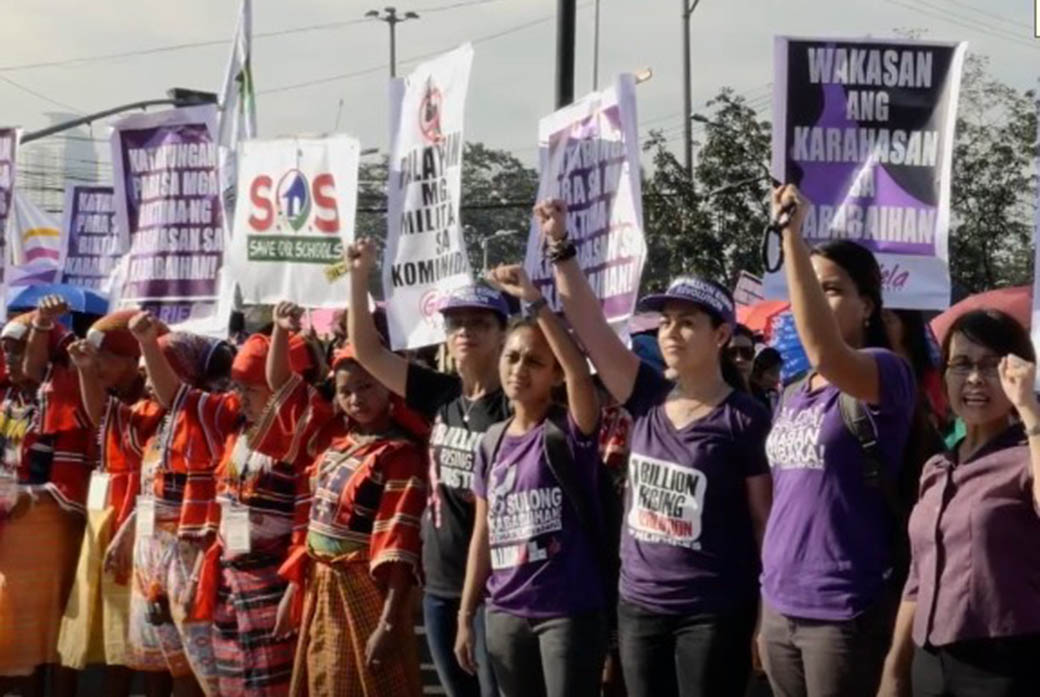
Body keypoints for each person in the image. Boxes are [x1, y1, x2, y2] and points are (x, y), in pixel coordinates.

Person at [536, 199, 772, 697]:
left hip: (713, 612)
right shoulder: (644, 393)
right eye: (666, 321)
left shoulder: (746, 419)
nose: (671, 332)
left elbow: (763, 525)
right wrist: (560, 248)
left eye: (688, 322)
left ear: (722, 334)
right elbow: (590, 327)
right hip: (639, 606)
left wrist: (764, 615)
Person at [758, 185, 916, 697]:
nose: (819, 298)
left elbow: (825, 352)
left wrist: (792, 239)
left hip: (843, 609)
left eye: (833, 289)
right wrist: (766, 607)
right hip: (780, 604)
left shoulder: (886, 374)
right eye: (812, 286)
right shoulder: (791, 394)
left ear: (867, 306)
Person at [346, 239, 505, 697]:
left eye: (479, 323)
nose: (465, 332)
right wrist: (359, 277)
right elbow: (368, 352)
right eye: (456, 323)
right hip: (439, 584)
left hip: (496, 590)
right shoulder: (441, 396)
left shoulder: (516, 408)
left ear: (502, 333)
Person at [131, 312, 318, 697]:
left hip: (272, 582)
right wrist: (148, 343)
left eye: (251, 388)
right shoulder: (233, 425)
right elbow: (177, 398)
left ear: (281, 390)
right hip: (229, 580)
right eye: (239, 386)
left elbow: (304, 524)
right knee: (231, 683)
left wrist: (293, 590)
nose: (240, 396)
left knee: (273, 686)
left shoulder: (304, 442)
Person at [454, 264, 606, 697]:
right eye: (512, 356)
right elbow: (482, 533)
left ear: (554, 375)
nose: (519, 369)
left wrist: (535, 300)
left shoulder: (569, 431)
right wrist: (467, 614)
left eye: (535, 362)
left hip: (567, 614)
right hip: (504, 613)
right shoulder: (490, 442)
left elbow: (580, 373)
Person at [264, 302, 428, 697]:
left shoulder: (399, 454)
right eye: (346, 391)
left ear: (390, 388)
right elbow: (281, 387)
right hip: (322, 587)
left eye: (367, 386)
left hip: (365, 592)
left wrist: (388, 623)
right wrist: (280, 331)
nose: (356, 399)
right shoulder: (332, 439)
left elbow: (400, 549)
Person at [878, 309, 1040, 697]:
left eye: (991, 366)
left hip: (1004, 666)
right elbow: (919, 576)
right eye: (961, 364)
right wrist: (895, 666)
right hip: (930, 661)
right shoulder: (936, 467)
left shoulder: (1027, 457)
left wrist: (1029, 408)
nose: (973, 379)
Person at [0, 301, 93, 697]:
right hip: (6, 525)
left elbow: (71, 481)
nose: (9, 356)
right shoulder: (6, 399)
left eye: (17, 348)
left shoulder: (62, 399)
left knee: (34, 631)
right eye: (6, 348)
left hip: (41, 531)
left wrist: (29, 498)